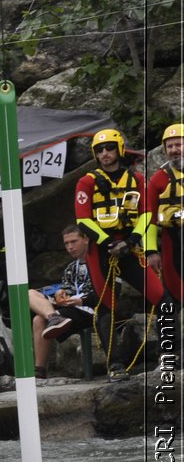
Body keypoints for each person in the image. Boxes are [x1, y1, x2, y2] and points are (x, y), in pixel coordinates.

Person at [75, 129, 166, 330]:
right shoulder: (87, 182)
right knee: (106, 305)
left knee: (162, 298)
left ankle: (168, 353)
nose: (105, 153)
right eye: (99, 150)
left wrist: (131, 241)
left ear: (119, 150)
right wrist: (109, 242)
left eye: (109, 148)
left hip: (130, 245)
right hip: (100, 249)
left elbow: (147, 214)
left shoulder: (137, 179)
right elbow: (83, 219)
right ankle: (114, 361)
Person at [26, 224, 98, 379]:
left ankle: (40, 369)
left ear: (86, 239)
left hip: (90, 309)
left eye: (73, 241)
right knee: (29, 293)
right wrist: (60, 294)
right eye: (66, 243)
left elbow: (104, 293)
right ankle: (40, 370)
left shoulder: (99, 263)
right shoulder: (71, 267)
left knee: (39, 319)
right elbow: (67, 289)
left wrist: (79, 300)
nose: (70, 247)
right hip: (70, 308)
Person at [146, 122, 184, 308]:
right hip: (173, 241)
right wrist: (151, 251)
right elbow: (149, 219)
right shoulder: (158, 179)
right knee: (176, 287)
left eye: (179, 144)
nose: (174, 150)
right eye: (170, 146)